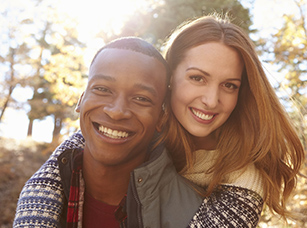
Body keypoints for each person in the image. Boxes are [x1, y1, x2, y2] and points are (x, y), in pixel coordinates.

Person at [13, 37, 203, 228]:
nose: (117, 111)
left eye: (141, 98)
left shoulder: (194, 215)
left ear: (162, 118)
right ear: (81, 100)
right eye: (102, 89)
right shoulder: (43, 194)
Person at [158, 14, 305, 225]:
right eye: (197, 78)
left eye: (229, 85)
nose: (211, 100)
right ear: (170, 76)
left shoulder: (244, 182)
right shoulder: (137, 132)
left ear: (241, 92)